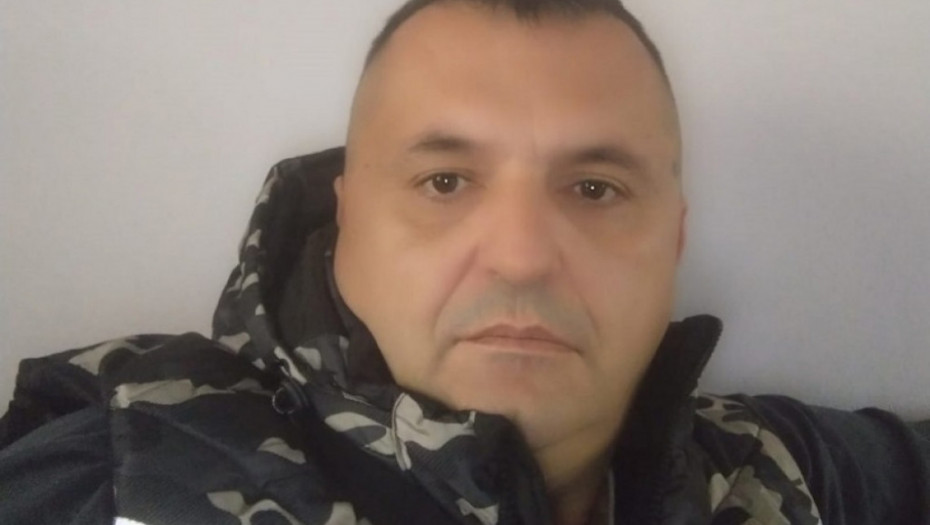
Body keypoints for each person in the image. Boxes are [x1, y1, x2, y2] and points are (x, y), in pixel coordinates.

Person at [1, 0, 928, 523]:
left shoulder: (780, 467)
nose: (521, 257)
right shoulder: (115, 477)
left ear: (674, 242)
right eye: (444, 181)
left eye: (595, 188)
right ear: (347, 218)